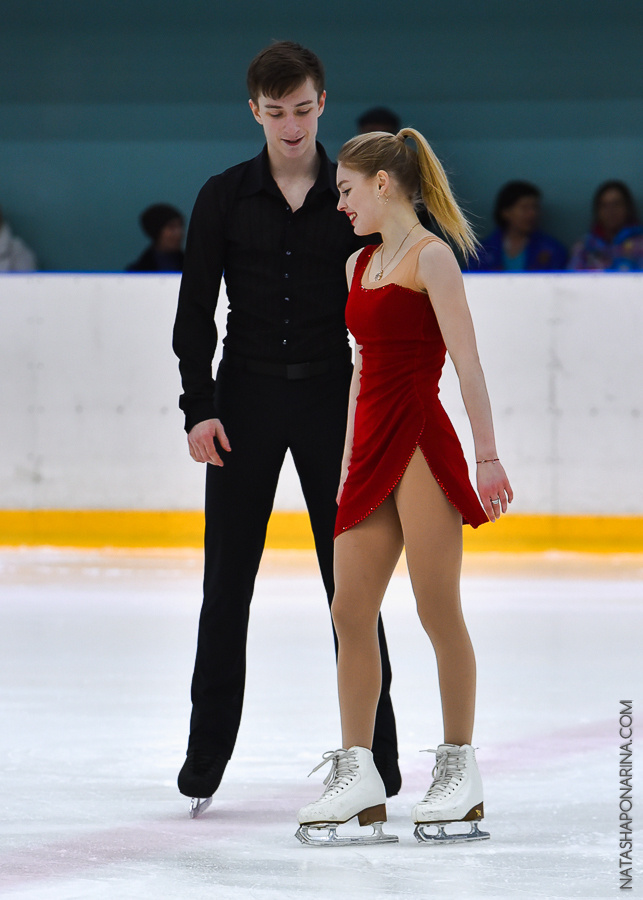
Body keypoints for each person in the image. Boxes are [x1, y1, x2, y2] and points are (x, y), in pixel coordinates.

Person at [172, 41, 400, 819]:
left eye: (303, 109)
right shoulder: (222, 197)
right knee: (225, 584)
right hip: (242, 404)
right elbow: (194, 312)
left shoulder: (357, 197)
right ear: (254, 112)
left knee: (352, 587)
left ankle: (378, 759)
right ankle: (205, 757)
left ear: (322, 103)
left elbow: (393, 294)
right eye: (276, 112)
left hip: (335, 402)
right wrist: (199, 406)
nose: (292, 125)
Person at [295, 129, 513, 847]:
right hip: (369, 446)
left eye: (345, 190)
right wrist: (345, 462)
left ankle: (458, 770)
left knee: (435, 608)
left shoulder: (431, 258)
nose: (340, 204)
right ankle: (358, 773)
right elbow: (360, 370)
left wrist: (486, 456)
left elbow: (468, 363)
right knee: (349, 609)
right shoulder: (357, 264)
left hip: (420, 438)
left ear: (382, 184)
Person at [468, 181, 567, 272]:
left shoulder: (552, 249)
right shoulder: (482, 251)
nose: (532, 214)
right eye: (525, 208)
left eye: (535, 207)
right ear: (505, 212)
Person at [568, 180, 643, 271]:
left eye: (616, 204)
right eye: (604, 206)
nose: (611, 211)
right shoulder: (585, 246)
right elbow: (572, 276)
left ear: (627, 208)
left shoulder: (640, 243)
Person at [126, 203, 185, 272]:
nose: (178, 233)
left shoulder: (191, 265)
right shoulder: (137, 272)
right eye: (171, 227)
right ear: (157, 231)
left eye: (180, 226)